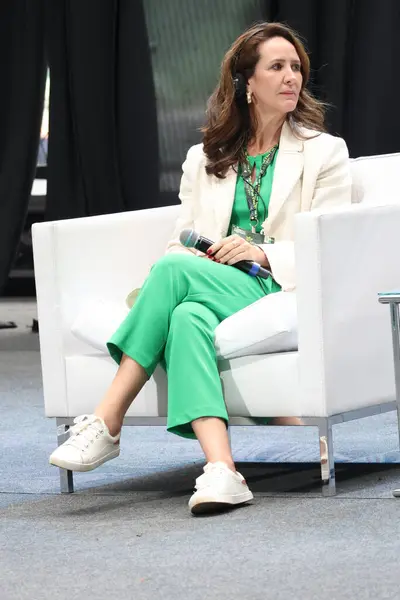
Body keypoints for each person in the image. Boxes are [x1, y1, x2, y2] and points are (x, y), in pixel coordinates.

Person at [49, 21, 351, 514]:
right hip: (216, 286)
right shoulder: (205, 157)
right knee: (186, 314)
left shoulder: (324, 153)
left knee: (169, 273)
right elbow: (182, 239)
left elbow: (334, 243)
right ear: (246, 83)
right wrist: (208, 253)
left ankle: (106, 420)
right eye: (277, 67)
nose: (291, 76)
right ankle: (222, 471)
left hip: (280, 285)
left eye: (296, 67)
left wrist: (261, 252)